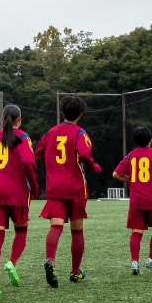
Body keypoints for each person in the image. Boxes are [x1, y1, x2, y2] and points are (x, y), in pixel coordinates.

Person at [34, 95, 100, 287]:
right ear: (80, 114)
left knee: (56, 227)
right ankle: (75, 272)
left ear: (63, 112)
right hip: (76, 188)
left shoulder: (50, 133)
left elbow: (39, 152)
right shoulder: (80, 133)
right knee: (77, 231)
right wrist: (94, 167)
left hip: (55, 188)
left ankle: (50, 260)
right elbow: (85, 154)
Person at [0, 104, 38, 294]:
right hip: (16, 192)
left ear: (2, 120)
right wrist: (34, 186)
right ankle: (11, 263)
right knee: (21, 232)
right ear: (19, 119)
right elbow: (28, 161)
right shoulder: (23, 137)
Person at [112, 126, 152, 275]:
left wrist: (130, 179)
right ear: (151, 140)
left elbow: (115, 174)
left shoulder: (130, 155)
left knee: (136, 231)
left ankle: (135, 262)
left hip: (137, 199)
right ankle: (151, 259)